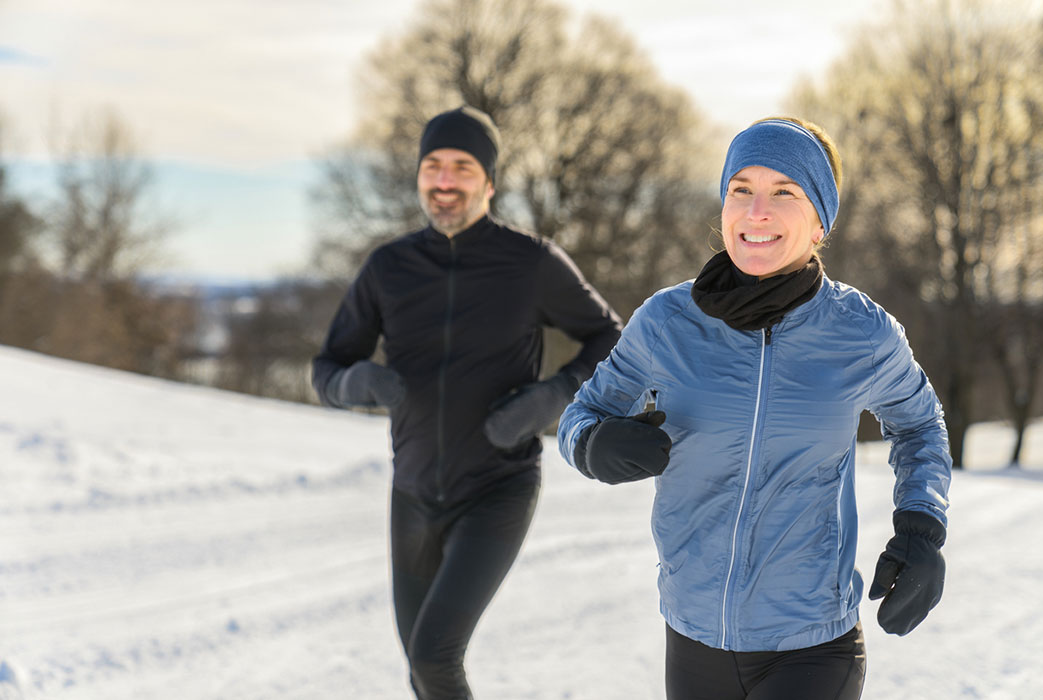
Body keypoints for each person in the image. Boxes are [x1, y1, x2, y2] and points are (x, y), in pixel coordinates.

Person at [557, 117, 952, 700]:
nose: (757, 211)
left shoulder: (861, 333)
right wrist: (593, 445)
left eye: (784, 192)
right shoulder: (666, 321)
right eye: (741, 189)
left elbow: (919, 425)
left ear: (820, 223)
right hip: (692, 634)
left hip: (813, 643)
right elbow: (581, 415)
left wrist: (921, 526)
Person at [312, 105, 622, 700]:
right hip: (412, 493)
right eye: (433, 165)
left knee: (435, 658)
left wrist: (552, 397)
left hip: (497, 490)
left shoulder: (531, 262)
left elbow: (611, 338)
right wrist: (356, 384)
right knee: (421, 668)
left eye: (462, 167)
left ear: (490, 182)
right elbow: (325, 370)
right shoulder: (388, 267)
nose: (445, 180)